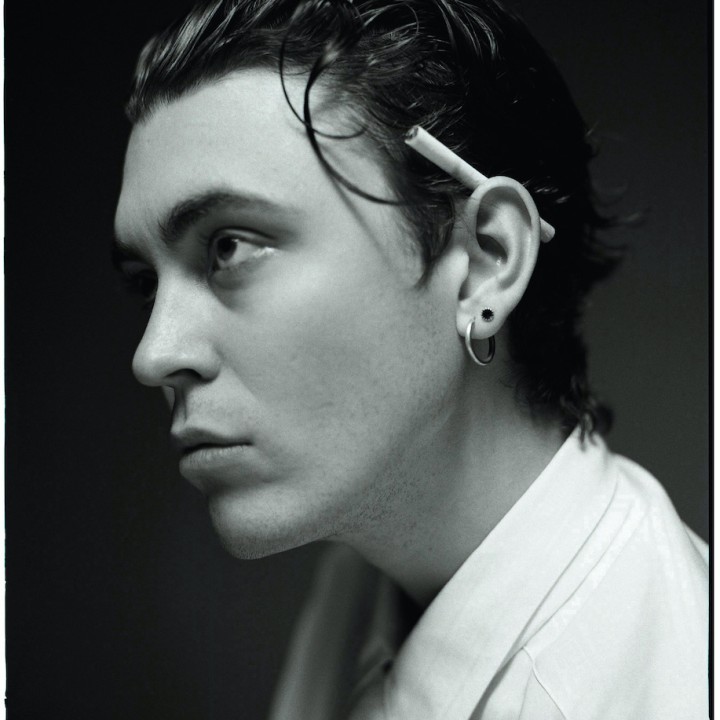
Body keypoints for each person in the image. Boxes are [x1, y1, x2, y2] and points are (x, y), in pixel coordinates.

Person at [112, 0, 709, 717]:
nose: (154, 355)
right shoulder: (364, 584)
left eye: (230, 247)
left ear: (487, 261)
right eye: (147, 283)